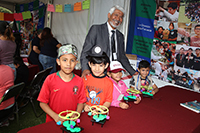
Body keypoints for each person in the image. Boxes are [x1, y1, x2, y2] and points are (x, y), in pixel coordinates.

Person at [80, 5, 137, 79]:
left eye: (121, 17)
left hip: (114, 75)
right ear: (109, 15)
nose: (118, 19)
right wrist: (85, 69)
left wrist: (133, 72)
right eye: (116, 15)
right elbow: (85, 52)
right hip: (97, 73)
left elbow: (122, 57)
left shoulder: (120, 36)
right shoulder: (96, 29)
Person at [37, 44, 86, 123]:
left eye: (72, 60)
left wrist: (77, 113)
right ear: (58, 61)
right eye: (64, 60)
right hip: (53, 121)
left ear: (76, 62)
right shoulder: (50, 79)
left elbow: (81, 102)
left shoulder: (79, 81)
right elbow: (42, 103)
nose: (68, 64)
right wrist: (55, 116)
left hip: (71, 121)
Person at [83, 46, 113, 112]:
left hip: (100, 112)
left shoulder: (109, 82)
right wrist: (84, 105)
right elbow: (81, 97)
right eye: (94, 65)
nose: (97, 69)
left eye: (100, 65)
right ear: (89, 64)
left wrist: (100, 110)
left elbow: (108, 101)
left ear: (106, 66)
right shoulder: (85, 79)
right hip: (86, 111)